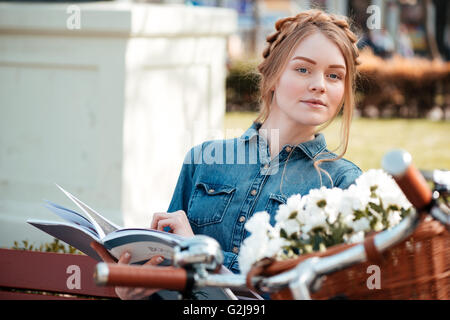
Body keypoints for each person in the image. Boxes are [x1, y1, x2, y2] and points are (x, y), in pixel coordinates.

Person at [93, 8, 363, 300]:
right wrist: (135, 287)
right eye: (302, 69)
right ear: (273, 76)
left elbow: (322, 291)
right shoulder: (203, 160)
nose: (319, 85)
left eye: (334, 76)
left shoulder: (343, 183)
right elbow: (168, 273)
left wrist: (200, 251)